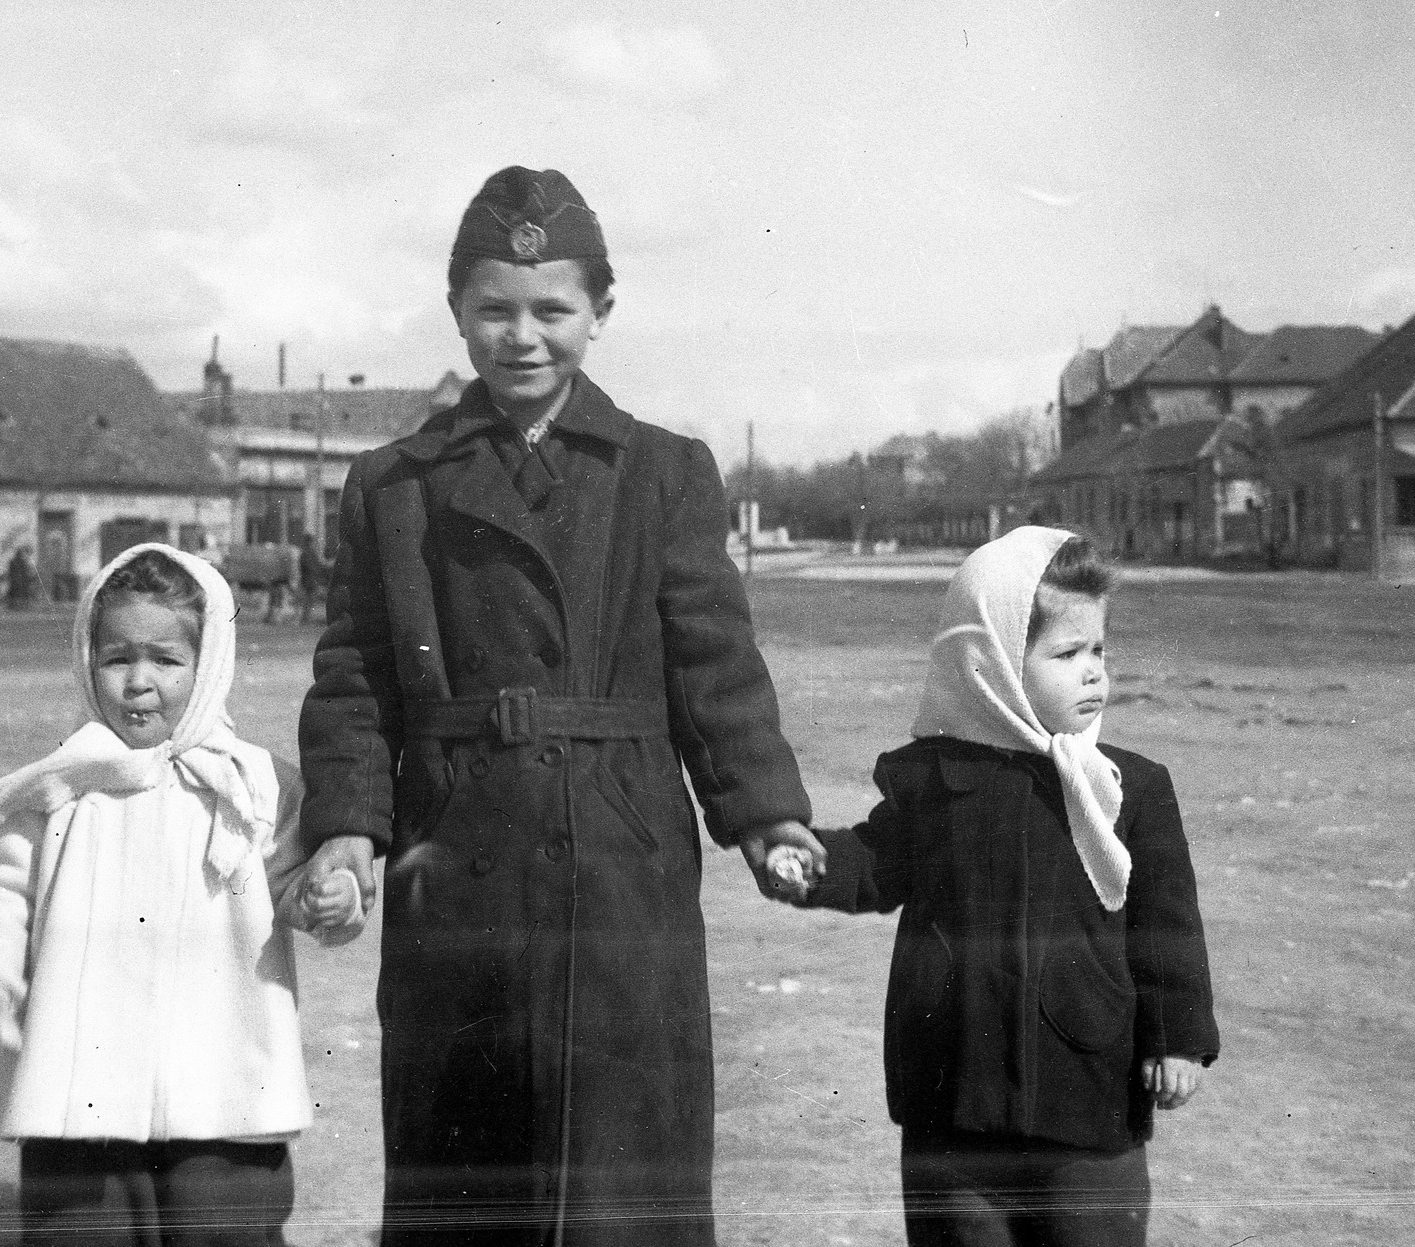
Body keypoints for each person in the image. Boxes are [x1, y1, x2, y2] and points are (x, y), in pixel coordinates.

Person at [293, 166, 823, 1245]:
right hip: (455, 843)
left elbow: (713, 657)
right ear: (456, 313)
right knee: (465, 1148)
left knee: (627, 1159)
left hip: (621, 849)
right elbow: (355, 673)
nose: (521, 336)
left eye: (552, 310)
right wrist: (347, 830)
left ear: (601, 314)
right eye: (494, 310)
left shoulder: (664, 472)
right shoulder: (393, 484)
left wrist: (765, 812)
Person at [773, 527, 1219, 1246]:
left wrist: (1179, 1040)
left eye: (1099, 650)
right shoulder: (936, 780)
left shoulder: (1128, 789)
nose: (1094, 673)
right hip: (955, 1102)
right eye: (1068, 654)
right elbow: (876, 859)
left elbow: (1167, 927)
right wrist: (814, 864)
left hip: (1088, 1105)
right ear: (995, 665)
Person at [0, 543, 337, 1245]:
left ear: (210, 661)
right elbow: (4, 897)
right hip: (83, 1087)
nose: (138, 681)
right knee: (79, 1230)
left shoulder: (254, 783)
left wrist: (321, 895)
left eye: (166, 660)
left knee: (227, 1226)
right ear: (85, 659)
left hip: (221, 1081)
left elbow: (297, 880)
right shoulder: (60, 786)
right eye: (117, 658)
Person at [3, 545, 41, 610]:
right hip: (20, 580)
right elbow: (25, 571)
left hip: (16, 580)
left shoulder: (13, 561)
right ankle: (23, 605)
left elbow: (11, 571)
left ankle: (14, 605)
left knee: (14, 593)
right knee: (22, 592)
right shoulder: (22, 561)